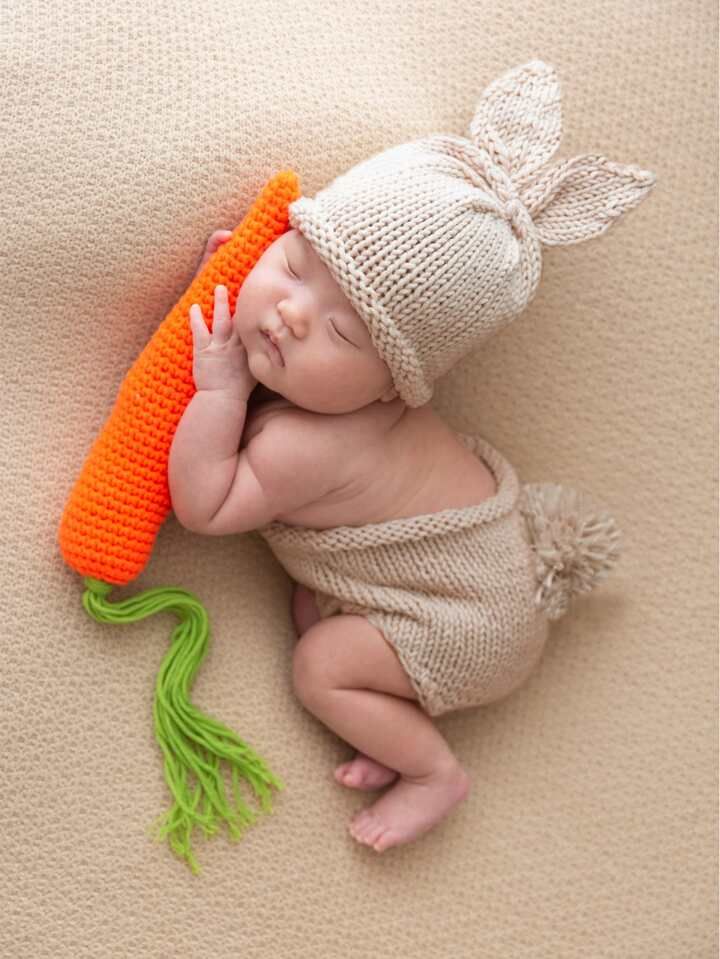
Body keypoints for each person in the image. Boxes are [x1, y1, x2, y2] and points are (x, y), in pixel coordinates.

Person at [168, 60, 655, 853]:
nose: (290, 314)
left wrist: (220, 391)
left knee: (319, 664)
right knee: (316, 615)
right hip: (477, 573)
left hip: (476, 626)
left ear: (393, 388)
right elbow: (271, 328)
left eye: (340, 332)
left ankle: (432, 771)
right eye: (292, 266)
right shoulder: (324, 396)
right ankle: (387, 696)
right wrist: (218, 289)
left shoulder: (300, 445)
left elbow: (205, 502)